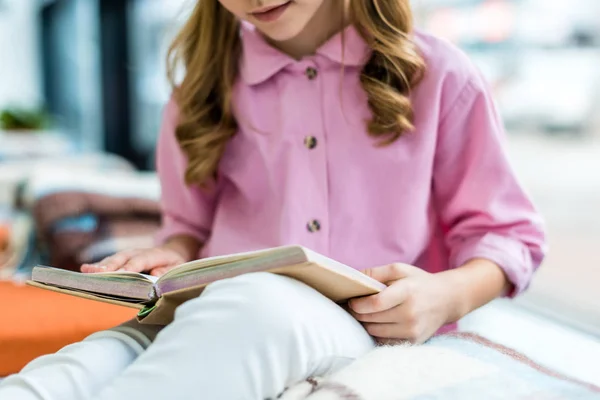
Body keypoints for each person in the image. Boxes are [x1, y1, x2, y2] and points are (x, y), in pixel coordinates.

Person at [0, 0, 547, 399]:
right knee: (80, 364)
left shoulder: (439, 76)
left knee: (258, 306)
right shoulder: (202, 91)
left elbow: (509, 236)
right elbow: (187, 227)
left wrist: (446, 296)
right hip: (212, 308)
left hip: (360, 324)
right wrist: (172, 253)